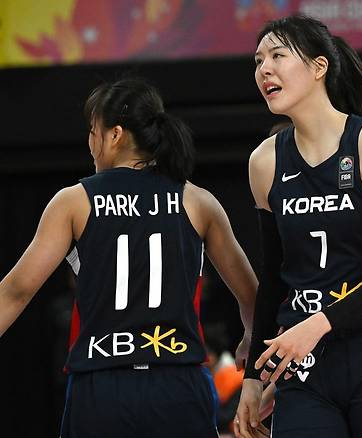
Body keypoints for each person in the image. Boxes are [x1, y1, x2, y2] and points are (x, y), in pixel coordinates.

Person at [0, 78, 258, 438]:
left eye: (93, 131)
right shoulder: (197, 201)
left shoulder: (74, 201)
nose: (90, 144)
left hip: (102, 387)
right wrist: (249, 337)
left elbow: (15, 292)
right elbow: (252, 295)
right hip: (179, 384)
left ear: (115, 135)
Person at [235, 14, 362, 438]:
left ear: (319, 66)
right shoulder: (264, 161)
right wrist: (253, 376)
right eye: (257, 60)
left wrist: (317, 323)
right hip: (303, 365)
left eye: (277, 56)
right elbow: (273, 279)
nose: (263, 69)